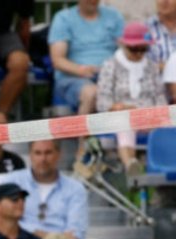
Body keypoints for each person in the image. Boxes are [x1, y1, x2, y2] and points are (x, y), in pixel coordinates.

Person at [96, 23, 160, 173]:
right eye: (133, 49)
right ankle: (131, 164)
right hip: (121, 116)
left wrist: (154, 113)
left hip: (148, 117)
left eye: (143, 49)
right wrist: (117, 107)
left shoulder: (152, 67)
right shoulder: (110, 65)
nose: (138, 54)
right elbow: (102, 100)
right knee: (124, 124)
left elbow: (160, 96)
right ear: (124, 46)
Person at [50, 0, 124, 115]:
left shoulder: (114, 16)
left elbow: (126, 49)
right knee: (92, 93)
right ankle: (83, 132)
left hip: (111, 74)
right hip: (74, 77)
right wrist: (81, 70)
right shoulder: (63, 18)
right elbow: (58, 60)